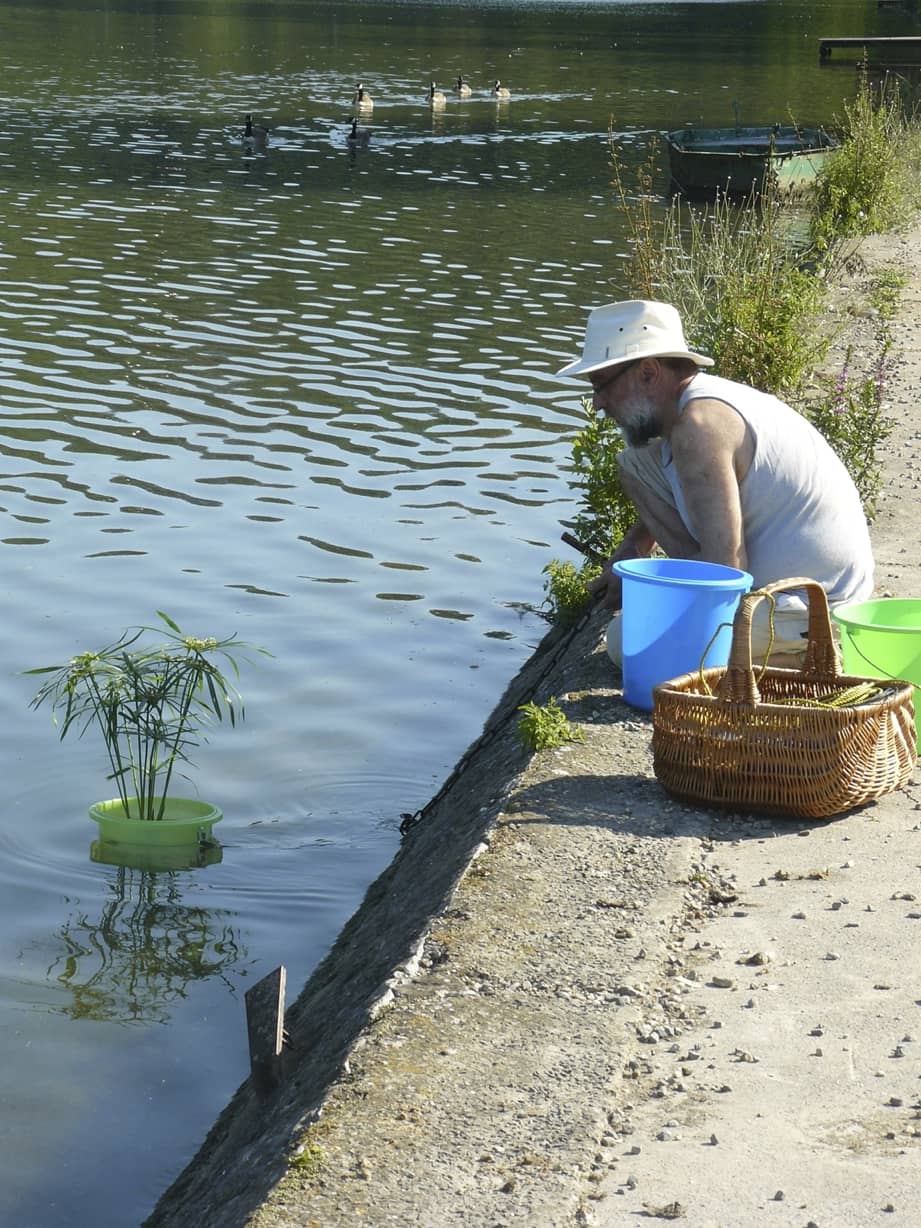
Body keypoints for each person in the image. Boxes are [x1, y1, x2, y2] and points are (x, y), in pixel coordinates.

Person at [556, 300, 875, 668]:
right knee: (633, 465)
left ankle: (802, 662)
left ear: (648, 372)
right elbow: (678, 492)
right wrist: (633, 548)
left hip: (814, 612)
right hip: (815, 596)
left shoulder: (700, 429)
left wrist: (646, 587)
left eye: (601, 384)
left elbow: (728, 570)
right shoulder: (706, 402)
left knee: (627, 640)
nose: (597, 403)